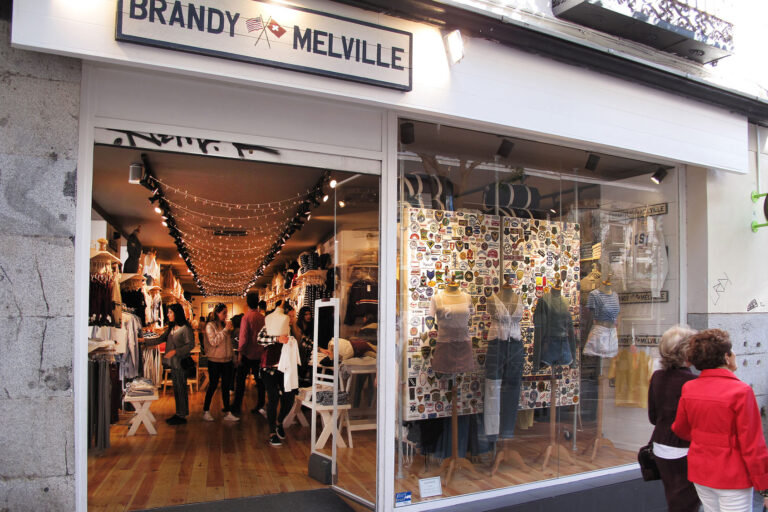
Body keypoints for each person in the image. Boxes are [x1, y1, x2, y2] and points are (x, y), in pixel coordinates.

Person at [672, 329, 768, 512]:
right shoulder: (740, 391)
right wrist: (764, 487)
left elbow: (680, 429)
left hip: (701, 470)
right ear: (726, 356)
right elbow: (753, 445)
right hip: (732, 475)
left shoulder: (690, 387)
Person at [647, 325, 700, 512]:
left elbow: (653, 417)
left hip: (660, 446)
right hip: (682, 448)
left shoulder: (658, 376)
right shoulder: (692, 383)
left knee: (675, 499)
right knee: (686, 504)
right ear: (687, 352)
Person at [142, 303, 194, 425]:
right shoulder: (171, 328)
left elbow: (190, 345)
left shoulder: (185, 329)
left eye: (170, 312)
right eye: (168, 312)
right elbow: (160, 339)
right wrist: (143, 340)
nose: (168, 314)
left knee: (181, 389)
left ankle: (181, 415)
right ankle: (179, 413)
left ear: (177, 313)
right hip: (174, 363)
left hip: (181, 363)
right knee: (177, 389)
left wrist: (176, 351)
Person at [258, 301, 297, 446]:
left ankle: (279, 422)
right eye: (291, 316)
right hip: (269, 367)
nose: (292, 319)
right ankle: (272, 432)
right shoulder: (270, 323)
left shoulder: (292, 329)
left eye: (294, 316)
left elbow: (304, 342)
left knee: (289, 397)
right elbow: (260, 339)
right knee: (273, 397)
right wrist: (276, 339)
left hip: (285, 368)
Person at [202, 303, 239, 422]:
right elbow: (214, 342)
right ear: (217, 313)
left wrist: (233, 358)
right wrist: (225, 330)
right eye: (224, 313)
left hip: (227, 360)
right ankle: (206, 410)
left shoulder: (224, 326)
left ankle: (228, 411)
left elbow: (229, 344)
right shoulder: (210, 326)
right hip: (214, 360)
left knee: (226, 386)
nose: (226, 315)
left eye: (226, 313)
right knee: (212, 385)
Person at [232, 292, 265, 416]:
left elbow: (244, 338)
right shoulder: (262, 318)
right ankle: (261, 405)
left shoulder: (246, 318)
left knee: (240, 381)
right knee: (260, 382)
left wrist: (240, 353)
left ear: (247, 303)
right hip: (260, 353)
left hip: (247, 354)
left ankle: (237, 405)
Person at [291, 306, 314, 385]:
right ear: (302, 315)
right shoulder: (297, 325)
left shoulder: (311, 325)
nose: (308, 316)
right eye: (306, 314)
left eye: (309, 314)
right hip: (298, 350)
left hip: (307, 350)